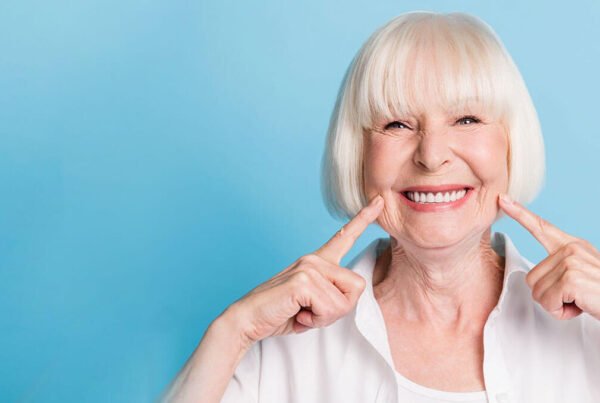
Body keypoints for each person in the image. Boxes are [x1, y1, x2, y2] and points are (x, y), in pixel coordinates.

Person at [161, 11, 600, 403]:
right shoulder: (286, 343)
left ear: (511, 144)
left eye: (467, 119)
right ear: (358, 155)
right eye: (397, 123)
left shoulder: (589, 329)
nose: (431, 155)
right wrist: (231, 330)